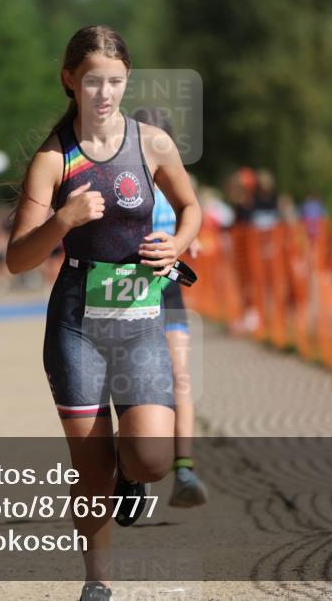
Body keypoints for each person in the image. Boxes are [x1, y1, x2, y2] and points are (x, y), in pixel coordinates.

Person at [5, 25, 201, 601]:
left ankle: (128, 478)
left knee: (151, 459)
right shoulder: (53, 158)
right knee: (89, 467)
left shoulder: (152, 143)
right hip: (76, 328)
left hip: (140, 323)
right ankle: (98, 581)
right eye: (93, 81)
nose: (105, 93)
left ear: (126, 82)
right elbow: (18, 258)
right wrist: (63, 220)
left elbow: (191, 207)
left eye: (115, 81)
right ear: (70, 81)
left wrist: (178, 244)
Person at [132, 107, 209, 509]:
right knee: (130, 383)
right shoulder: (123, 178)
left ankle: (184, 469)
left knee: (180, 377)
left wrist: (187, 241)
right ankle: (132, 472)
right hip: (127, 293)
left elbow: (191, 221)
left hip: (168, 291)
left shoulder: (181, 182)